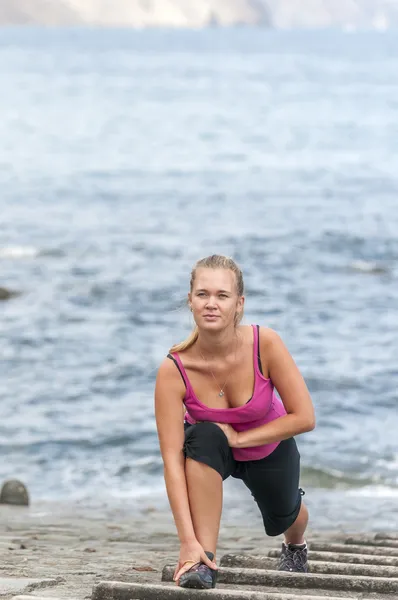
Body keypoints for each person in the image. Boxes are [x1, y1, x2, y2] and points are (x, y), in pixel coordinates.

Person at [154, 254, 315, 589]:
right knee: (200, 437)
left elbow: (304, 417)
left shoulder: (265, 344)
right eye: (203, 294)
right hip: (213, 450)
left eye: (222, 296)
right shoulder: (174, 369)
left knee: (287, 514)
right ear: (190, 301)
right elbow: (172, 461)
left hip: (268, 447)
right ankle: (202, 561)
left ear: (238, 304)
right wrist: (186, 541)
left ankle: (295, 546)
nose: (211, 304)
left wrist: (241, 439)